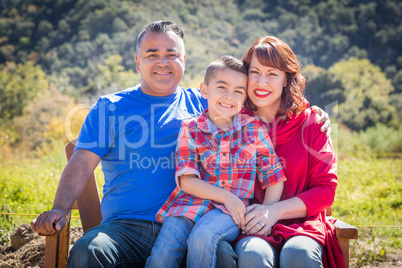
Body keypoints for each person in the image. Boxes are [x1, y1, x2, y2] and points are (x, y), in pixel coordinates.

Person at [30, 20, 331, 267]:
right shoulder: (111, 107)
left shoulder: (204, 102)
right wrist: (60, 208)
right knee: (88, 251)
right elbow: (82, 161)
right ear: (137, 61)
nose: (163, 62)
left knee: (224, 257)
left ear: (184, 61)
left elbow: (252, 97)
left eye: (172, 54)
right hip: (127, 227)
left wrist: (311, 111)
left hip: (197, 221)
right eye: (152, 54)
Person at [146, 56, 286, 268]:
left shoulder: (254, 130)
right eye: (222, 87)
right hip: (187, 205)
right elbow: (187, 181)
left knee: (203, 237)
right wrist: (227, 197)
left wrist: (262, 216)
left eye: (239, 91)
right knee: (164, 252)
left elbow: (274, 178)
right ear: (204, 90)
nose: (230, 97)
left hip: (230, 213)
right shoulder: (190, 128)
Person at [217, 36, 343, 268]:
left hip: (301, 224)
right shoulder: (230, 120)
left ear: (286, 79)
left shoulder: (311, 123)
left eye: (272, 74)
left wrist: (273, 211)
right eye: (254, 72)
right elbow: (209, 91)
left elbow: (325, 191)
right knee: (252, 255)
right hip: (251, 225)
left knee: (298, 253)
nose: (261, 82)